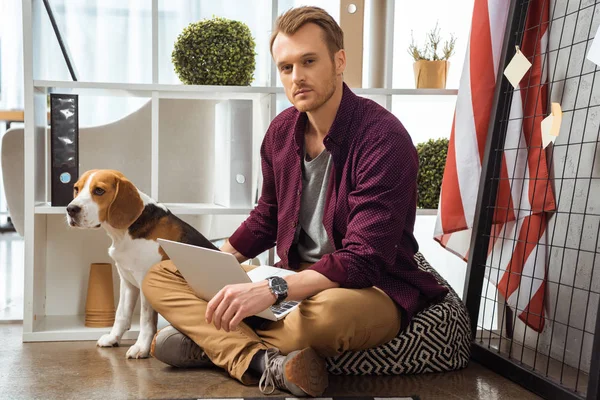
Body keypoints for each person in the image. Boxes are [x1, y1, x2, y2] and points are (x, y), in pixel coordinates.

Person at [142, 5, 449, 397]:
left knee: (326, 318)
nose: (297, 77)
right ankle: (259, 361)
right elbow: (266, 217)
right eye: (286, 67)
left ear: (339, 61)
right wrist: (216, 263)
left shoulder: (383, 139)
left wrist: (272, 289)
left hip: (363, 287)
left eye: (308, 61)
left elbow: (365, 258)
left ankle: (215, 344)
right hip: (292, 277)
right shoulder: (280, 132)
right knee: (160, 276)